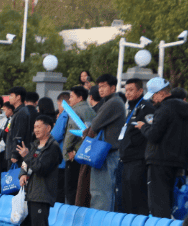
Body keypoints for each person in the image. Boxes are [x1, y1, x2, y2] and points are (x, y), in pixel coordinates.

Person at [136, 77, 188, 219]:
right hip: (177, 161)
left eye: (154, 95)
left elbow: (154, 135)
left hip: (159, 160)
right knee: (167, 200)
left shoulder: (163, 110)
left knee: (157, 202)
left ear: (161, 93)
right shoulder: (187, 112)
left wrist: (143, 127)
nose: (153, 100)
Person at [17, 115, 62, 226]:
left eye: (39, 126)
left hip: (41, 196)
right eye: (34, 127)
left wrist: (27, 155)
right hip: (29, 194)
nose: (35, 130)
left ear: (48, 128)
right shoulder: (35, 144)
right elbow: (26, 164)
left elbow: (41, 169)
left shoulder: (53, 148)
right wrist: (22, 173)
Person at [85, 74, 125, 212]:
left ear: (113, 87)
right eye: (99, 86)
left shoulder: (113, 102)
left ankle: (99, 223)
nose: (100, 89)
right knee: (103, 189)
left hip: (106, 152)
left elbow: (95, 124)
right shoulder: (111, 101)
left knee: (100, 190)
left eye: (104, 86)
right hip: (106, 151)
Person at [119, 78, 155, 216]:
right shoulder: (131, 108)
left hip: (138, 159)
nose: (128, 93)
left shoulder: (146, 108)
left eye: (131, 90)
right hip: (127, 159)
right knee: (127, 197)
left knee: (138, 198)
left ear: (140, 91)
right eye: (126, 90)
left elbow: (149, 132)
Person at [62, 86, 95, 206]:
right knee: (83, 188)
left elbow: (71, 133)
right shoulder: (91, 111)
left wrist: (67, 152)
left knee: (71, 189)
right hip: (87, 152)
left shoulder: (75, 111)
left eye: (71, 96)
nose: (69, 99)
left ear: (80, 97)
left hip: (75, 154)